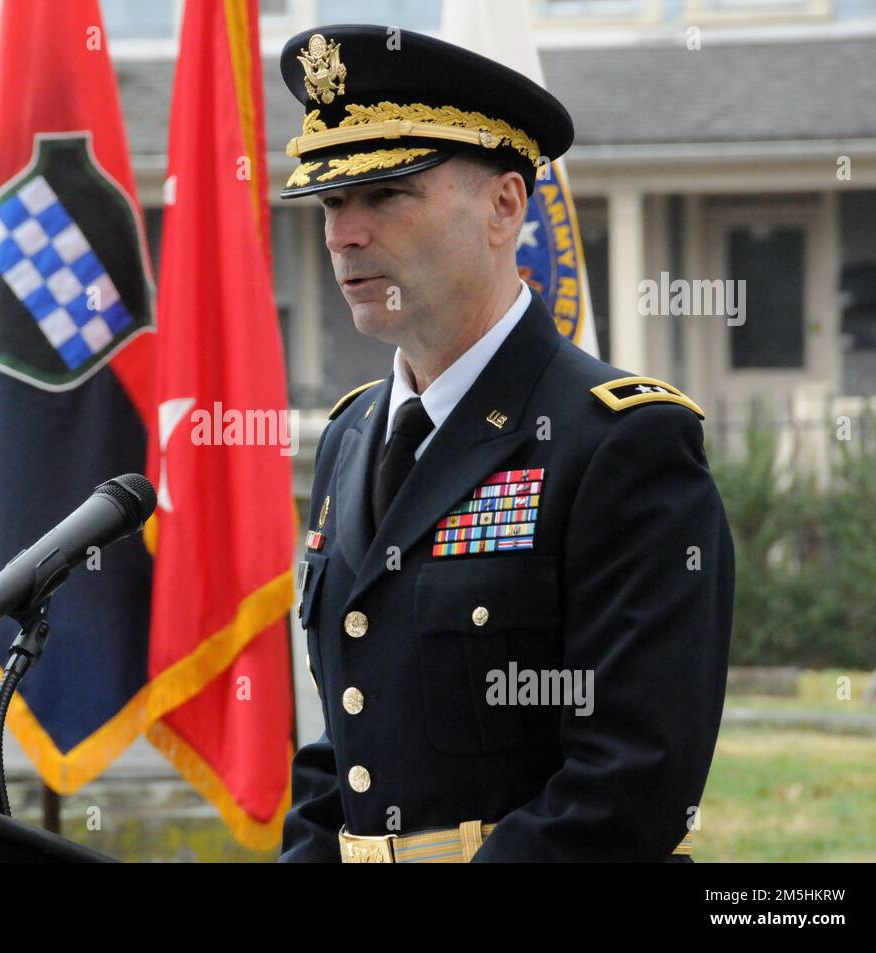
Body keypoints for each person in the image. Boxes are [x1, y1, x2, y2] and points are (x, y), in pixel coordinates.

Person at [277, 24, 735, 862]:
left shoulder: (620, 441)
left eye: (387, 194)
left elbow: (631, 780)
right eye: (332, 201)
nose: (344, 233)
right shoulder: (350, 438)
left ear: (505, 205)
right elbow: (343, 741)